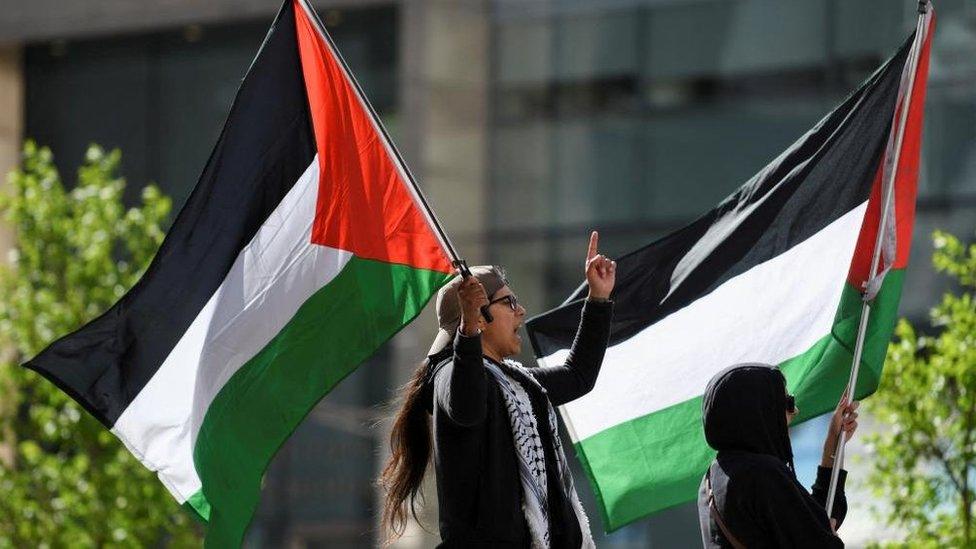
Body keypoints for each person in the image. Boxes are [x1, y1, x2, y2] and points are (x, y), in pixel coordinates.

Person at [379, 231, 616, 548]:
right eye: (510, 303)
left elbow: (577, 376)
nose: (521, 311)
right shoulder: (449, 373)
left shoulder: (517, 383)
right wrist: (468, 330)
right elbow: (467, 403)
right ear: (481, 314)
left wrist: (598, 299)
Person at [698, 364, 860, 548]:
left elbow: (818, 517)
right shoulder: (762, 473)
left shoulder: (710, 480)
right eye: (788, 403)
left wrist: (833, 442)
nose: (795, 411)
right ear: (761, 409)